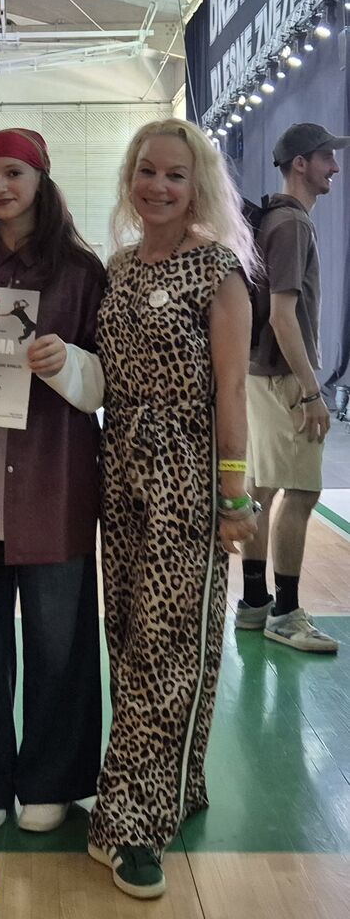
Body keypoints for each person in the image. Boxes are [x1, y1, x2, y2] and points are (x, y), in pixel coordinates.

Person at [87, 119, 258, 899]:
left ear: (198, 188)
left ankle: (131, 819)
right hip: (119, 469)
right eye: (147, 171)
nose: (158, 186)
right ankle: (176, 782)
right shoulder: (118, 268)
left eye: (175, 176)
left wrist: (235, 495)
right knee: (129, 638)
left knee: (167, 646)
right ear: (131, 177)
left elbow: (232, 389)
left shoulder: (218, 269)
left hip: (186, 475)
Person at [0, 128, 106, 834]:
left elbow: (107, 382)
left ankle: (52, 779)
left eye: (13, 173)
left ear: (41, 179)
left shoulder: (82, 271)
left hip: (51, 482)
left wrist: (68, 361)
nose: (0, 187)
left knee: (59, 645)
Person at [238, 123, 348, 654]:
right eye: (326, 157)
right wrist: (310, 392)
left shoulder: (275, 219)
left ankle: (254, 602)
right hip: (283, 379)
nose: (335, 167)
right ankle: (284, 613)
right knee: (301, 493)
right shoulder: (292, 225)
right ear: (300, 163)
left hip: (260, 374)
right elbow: (283, 316)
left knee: (261, 491)